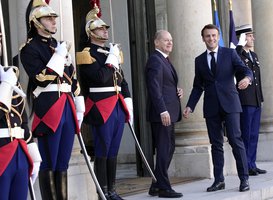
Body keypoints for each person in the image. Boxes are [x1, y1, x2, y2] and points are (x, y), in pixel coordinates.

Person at [20, 0, 85, 199]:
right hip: (49, 106)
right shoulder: (29, 49)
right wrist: (58, 57)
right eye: (48, 18)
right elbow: (40, 78)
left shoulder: (58, 45)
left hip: (66, 104)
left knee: (63, 161)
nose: (53, 21)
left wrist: (79, 103)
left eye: (54, 17)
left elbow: (72, 77)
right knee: (49, 160)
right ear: (36, 22)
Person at [183, 24, 253, 192]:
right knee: (216, 144)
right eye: (208, 36)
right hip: (212, 107)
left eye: (214, 35)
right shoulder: (199, 60)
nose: (211, 39)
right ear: (203, 38)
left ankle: (244, 179)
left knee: (236, 140)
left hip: (231, 104)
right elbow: (198, 86)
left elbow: (245, 70)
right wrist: (190, 106)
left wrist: (247, 79)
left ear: (218, 36)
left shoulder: (229, 54)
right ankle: (219, 180)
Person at [77, 5, 133, 200]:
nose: (105, 31)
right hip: (101, 106)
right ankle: (102, 191)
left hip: (116, 105)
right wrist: (111, 60)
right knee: (103, 148)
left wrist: (128, 101)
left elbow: (121, 80)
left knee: (114, 149)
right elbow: (99, 78)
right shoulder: (86, 54)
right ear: (90, 32)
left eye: (106, 28)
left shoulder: (109, 52)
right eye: (101, 29)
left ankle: (112, 190)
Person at [0, 31, 41, 199]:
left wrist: (33, 152)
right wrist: (6, 86)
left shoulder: (7, 74)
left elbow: (22, 118)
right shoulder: (7, 79)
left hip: (19, 151)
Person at [145, 30, 183, 198]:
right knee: (163, 148)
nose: (170, 43)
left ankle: (156, 184)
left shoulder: (164, 60)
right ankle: (164, 188)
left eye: (171, 40)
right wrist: (162, 109)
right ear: (156, 42)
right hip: (163, 113)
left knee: (169, 147)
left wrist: (176, 91)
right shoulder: (155, 60)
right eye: (166, 40)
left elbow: (165, 85)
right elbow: (154, 88)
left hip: (169, 111)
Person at [235, 24, 266, 176]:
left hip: (255, 99)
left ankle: (252, 163)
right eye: (249, 35)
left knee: (254, 134)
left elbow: (258, 78)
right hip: (245, 100)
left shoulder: (254, 55)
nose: (252, 38)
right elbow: (234, 56)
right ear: (242, 38)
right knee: (246, 134)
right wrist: (239, 45)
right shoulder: (238, 54)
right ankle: (245, 165)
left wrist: (260, 97)